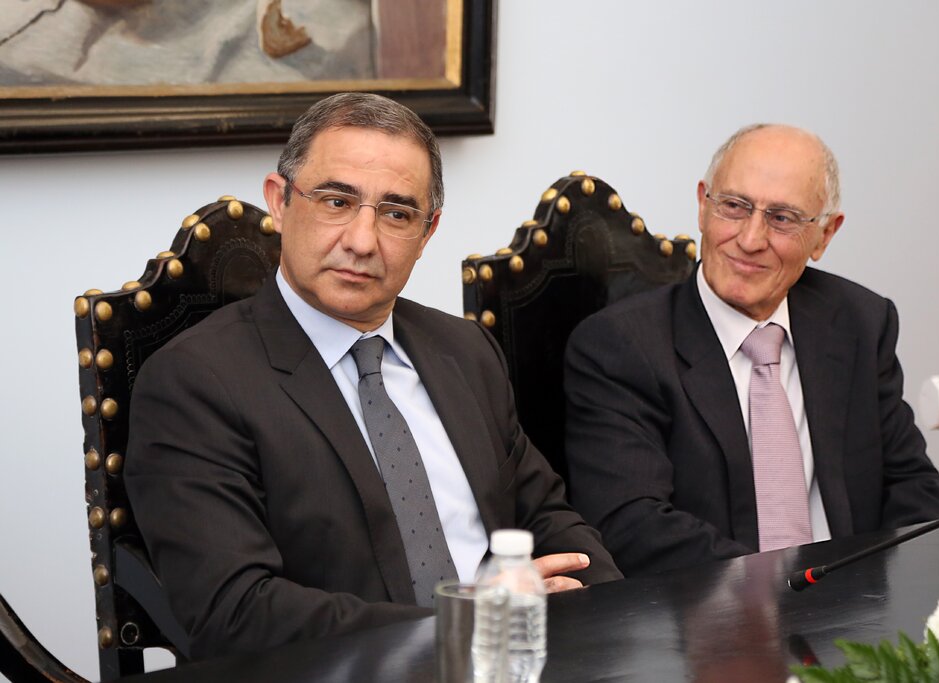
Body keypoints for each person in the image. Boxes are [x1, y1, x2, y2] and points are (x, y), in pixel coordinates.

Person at [125, 92, 621, 660]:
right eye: (337, 202)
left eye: (396, 214)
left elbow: (546, 518)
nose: (362, 242)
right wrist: (465, 623)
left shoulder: (464, 351)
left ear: (427, 232)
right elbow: (233, 611)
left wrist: (609, 614)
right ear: (280, 203)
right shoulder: (196, 382)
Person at [563, 123, 939, 577]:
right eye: (734, 206)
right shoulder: (621, 346)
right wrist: (782, 593)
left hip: (856, 602)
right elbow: (632, 524)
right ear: (702, 205)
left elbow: (917, 487)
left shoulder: (859, 322)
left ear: (825, 235)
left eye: (782, 218)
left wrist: (878, 593)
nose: (750, 240)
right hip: (713, 610)